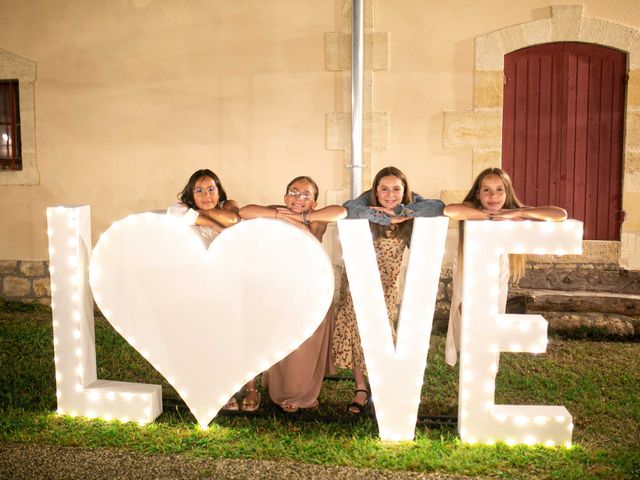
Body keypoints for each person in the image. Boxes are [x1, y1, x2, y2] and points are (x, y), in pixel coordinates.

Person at [331, 166, 445, 415]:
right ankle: (361, 389)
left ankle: (383, 383)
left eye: (396, 188)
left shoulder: (413, 206)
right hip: (358, 280)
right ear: (375, 190)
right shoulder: (364, 204)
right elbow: (348, 208)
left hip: (388, 284)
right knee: (356, 329)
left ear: (405, 190)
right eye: (384, 188)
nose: (390, 194)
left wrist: (401, 212)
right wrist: (386, 217)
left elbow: (439, 206)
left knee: (382, 331)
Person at [239, 176, 347, 412]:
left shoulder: (317, 220)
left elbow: (340, 212)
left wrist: (302, 219)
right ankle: (270, 388)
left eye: (306, 195)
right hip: (280, 285)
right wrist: (279, 215)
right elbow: (245, 212)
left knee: (306, 343)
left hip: (311, 285)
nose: (299, 198)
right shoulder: (276, 211)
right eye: (294, 192)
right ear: (285, 196)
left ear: (314, 202)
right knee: (277, 336)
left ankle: (303, 393)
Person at [442, 167, 567, 366]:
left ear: (507, 193)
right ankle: (471, 370)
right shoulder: (472, 209)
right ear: (478, 194)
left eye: (499, 190)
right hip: (470, 278)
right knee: (468, 330)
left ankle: (483, 372)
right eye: (486, 190)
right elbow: (450, 210)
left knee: (490, 333)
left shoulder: (513, 212)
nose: (493, 196)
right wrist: (488, 215)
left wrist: (517, 212)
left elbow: (560, 214)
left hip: (495, 276)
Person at [168, 169, 261, 412]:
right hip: (202, 281)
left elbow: (234, 221)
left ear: (219, 190)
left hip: (234, 278)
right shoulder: (181, 208)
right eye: (199, 190)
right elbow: (175, 212)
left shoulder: (228, 205)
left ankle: (251, 387)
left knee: (242, 332)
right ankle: (224, 387)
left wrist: (200, 215)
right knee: (213, 334)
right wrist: (210, 222)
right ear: (190, 193)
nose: (206, 194)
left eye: (211, 188)